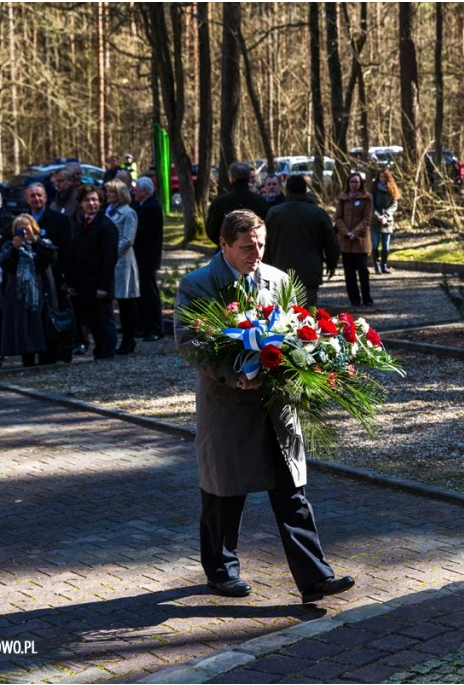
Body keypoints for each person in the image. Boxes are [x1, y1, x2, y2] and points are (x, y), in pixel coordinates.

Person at [174, 209, 355, 603]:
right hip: (228, 404)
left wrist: (309, 363)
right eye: (245, 246)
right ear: (223, 245)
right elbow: (190, 343)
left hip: (277, 405)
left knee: (292, 491)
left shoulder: (278, 279)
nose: (255, 252)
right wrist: (234, 373)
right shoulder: (198, 284)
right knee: (225, 493)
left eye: (260, 243)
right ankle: (221, 572)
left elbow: (294, 328)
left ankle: (315, 577)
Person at [263, 175, 340, 308]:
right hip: (308, 273)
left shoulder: (274, 213)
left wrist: (266, 266)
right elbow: (331, 243)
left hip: (278, 271)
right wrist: (331, 263)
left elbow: (265, 243)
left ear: (286, 190)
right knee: (306, 317)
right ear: (305, 191)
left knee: (281, 315)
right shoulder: (317, 213)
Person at [0, 214, 58, 367]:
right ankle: (27, 357)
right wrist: (15, 248)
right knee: (23, 326)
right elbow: (5, 262)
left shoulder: (43, 243)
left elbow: (51, 256)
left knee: (42, 325)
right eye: (19, 228)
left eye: (26, 227)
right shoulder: (9, 246)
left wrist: (35, 241)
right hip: (19, 294)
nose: (23, 231)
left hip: (40, 291)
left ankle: (46, 356)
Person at [68, 185, 118, 360]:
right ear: (81, 203)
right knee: (92, 321)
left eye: (95, 200)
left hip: (99, 283)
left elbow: (109, 258)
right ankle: (100, 351)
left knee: (104, 320)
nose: (92, 203)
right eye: (88, 200)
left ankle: (107, 352)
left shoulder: (106, 226)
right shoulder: (80, 224)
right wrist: (72, 283)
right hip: (84, 283)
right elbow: (75, 253)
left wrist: (103, 286)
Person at [104, 180, 140, 355]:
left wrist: (110, 254)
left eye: (111, 192)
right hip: (109, 261)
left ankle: (129, 340)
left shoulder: (128, 213)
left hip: (123, 261)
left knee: (126, 302)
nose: (107, 195)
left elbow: (127, 240)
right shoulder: (107, 210)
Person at [205, 162, 269, 247]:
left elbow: (211, 230)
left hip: (227, 252)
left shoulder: (220, 202)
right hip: (254, 250)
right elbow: (268, 228)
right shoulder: (261, 202)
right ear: (248, 178)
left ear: (232, 178)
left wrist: (227, 245)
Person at [132, 177, 164, 341]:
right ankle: (144, 326)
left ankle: (155, 328)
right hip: (140, 257)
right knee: (143, 293)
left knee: (150, 293)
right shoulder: (141, 206)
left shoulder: (152, 207)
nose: (134, 193)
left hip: (147, 257)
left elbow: (142, 231)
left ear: (145, 191)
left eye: (136, 190)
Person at [334, 172, 373, 306]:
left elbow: (367, 218)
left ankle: (367, 298)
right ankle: (354, 299)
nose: (354, 185)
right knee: (349, 273)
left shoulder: (367, 198)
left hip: (360, 240)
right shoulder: (342, 198)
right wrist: (345, 232)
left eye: (356, 182)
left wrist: (354, 232)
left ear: (361, 183)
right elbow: (338, 217)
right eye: (352, 182)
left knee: (363, 271)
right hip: (346, 241)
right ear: (348, 183)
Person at [369, 168, 401, 275]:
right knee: (375, 244)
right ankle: (376, 266)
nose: (382, 179)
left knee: (386, 246)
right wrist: (378, 216)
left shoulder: (392, 189)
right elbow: (371, 205)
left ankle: (384, 265)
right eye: (380, 177)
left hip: (387, 221)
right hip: (375, 221)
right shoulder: (373, 189)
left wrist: (386, 216)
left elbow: (394, 204)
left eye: (384, 177)